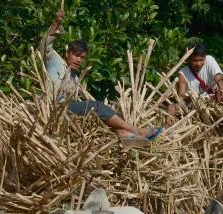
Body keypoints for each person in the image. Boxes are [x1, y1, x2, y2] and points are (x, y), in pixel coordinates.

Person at [39, 9, 163, 145]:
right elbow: (44, 46)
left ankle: (127, 137)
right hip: (53, 109)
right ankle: (137, 131)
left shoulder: (74, 77)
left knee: (102, 120)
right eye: (76, 55)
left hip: (66, 113)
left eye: (82, 57)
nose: (79, 60)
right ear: (67, 53)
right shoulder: (55, 60)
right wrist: (56, 23)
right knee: (96, 107)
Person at [167, 44, 223, 118]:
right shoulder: (182, 73)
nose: (198, 64)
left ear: (205, 57)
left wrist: (221, 96)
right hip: (194, 107)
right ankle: (165, 129)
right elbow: (180, 96)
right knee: (171, 108)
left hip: (215, 103)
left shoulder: (209, 60)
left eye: (201, 60)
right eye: (195, 60)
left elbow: (222, 88)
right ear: (189, 59)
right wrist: (193, 98)